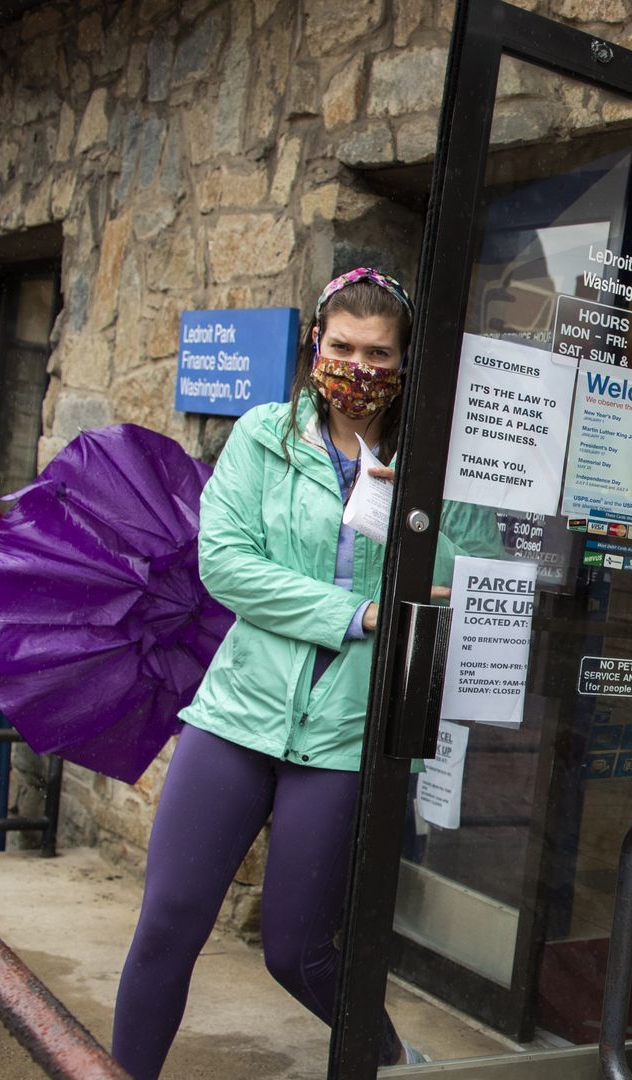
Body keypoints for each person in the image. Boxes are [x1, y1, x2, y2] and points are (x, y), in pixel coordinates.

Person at [111, 268, 428, 1076]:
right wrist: (355, 613)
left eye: (379, 353)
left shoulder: (428, 459)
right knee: (166, 927)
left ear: (404, 361)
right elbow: (227, 565)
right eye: (342, 347)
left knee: (296, 951)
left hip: (344, 733)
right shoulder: (264, 435)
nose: (358, 367)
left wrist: (411, 519)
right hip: (237, 714)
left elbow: (460, 578)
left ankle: (393, 1058)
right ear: (316, 344)